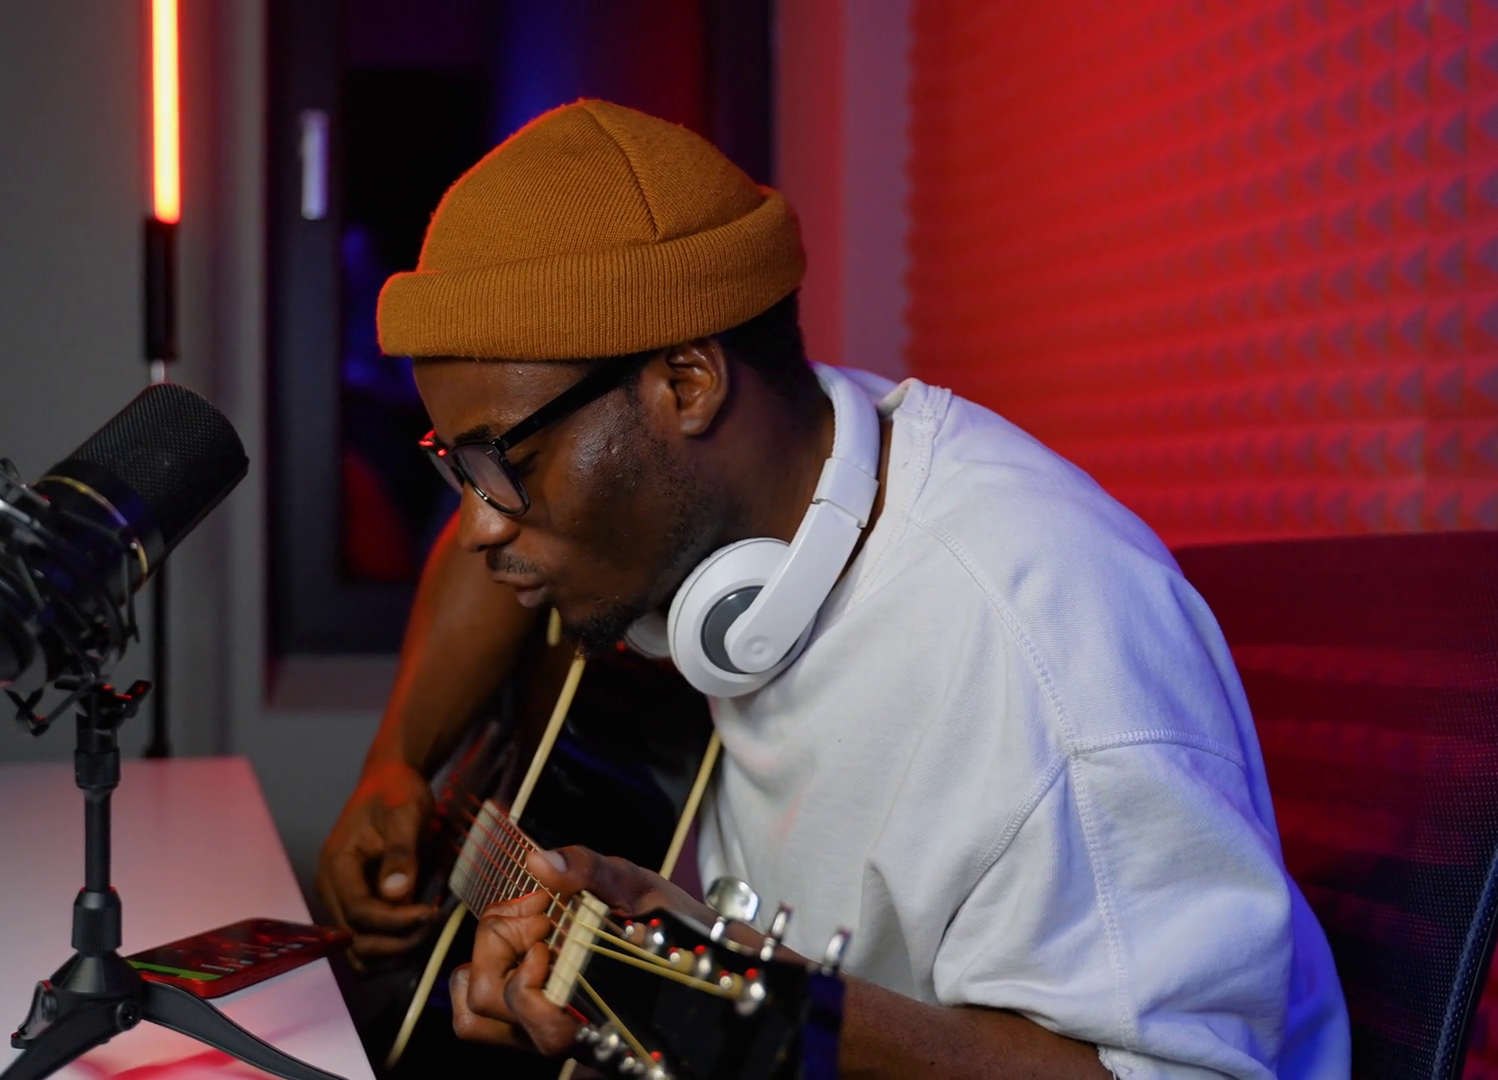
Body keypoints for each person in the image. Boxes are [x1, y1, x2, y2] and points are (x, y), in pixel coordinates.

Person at [316, 99, 1350, 1078]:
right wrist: (396, 767)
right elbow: (491, 543)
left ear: (687, 382)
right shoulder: (782, 474)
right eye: (457, 470)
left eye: (502, 464)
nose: (479, 525)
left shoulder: (1032, 645)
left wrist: (776, 1019)